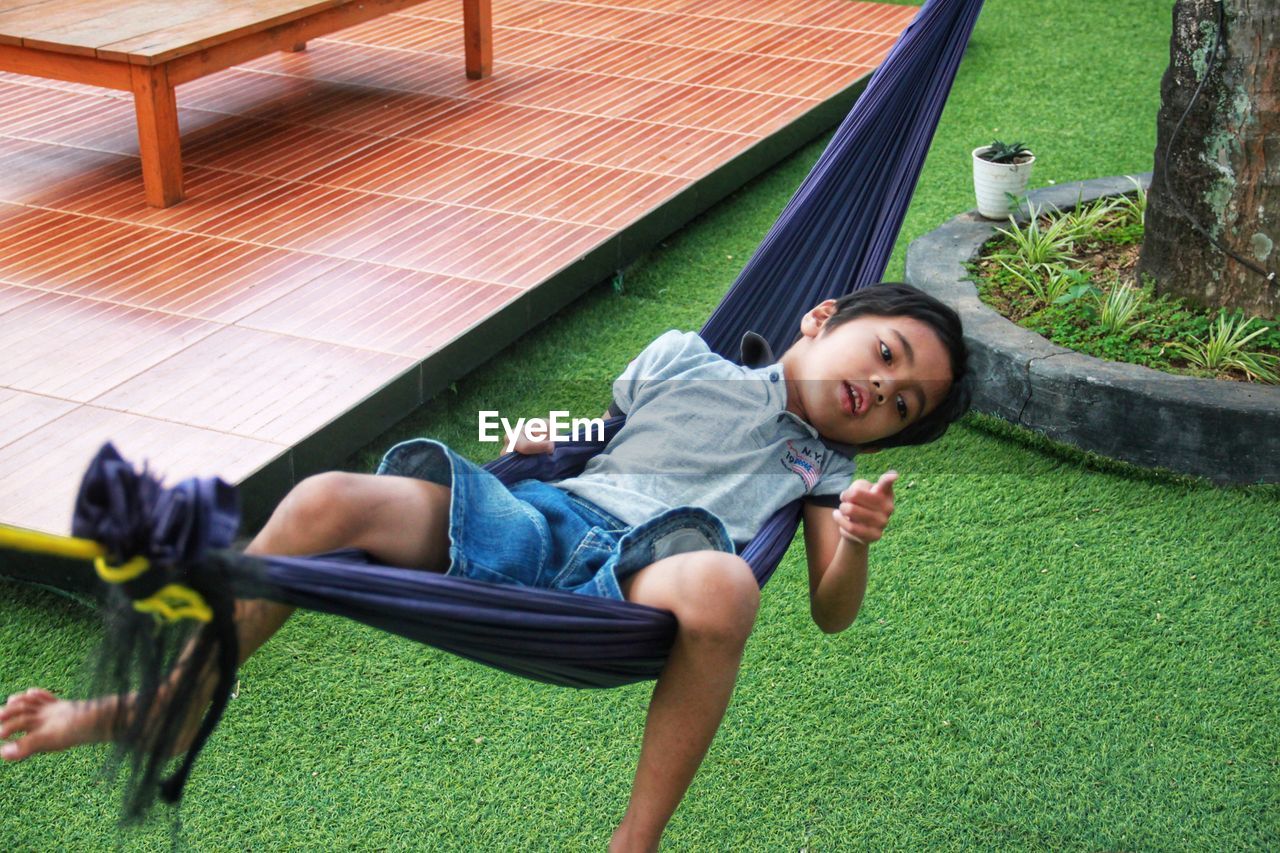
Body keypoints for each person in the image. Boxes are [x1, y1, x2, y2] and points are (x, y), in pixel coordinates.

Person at [1, 283, 969, 851]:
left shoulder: (820, 472)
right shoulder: (684, 363)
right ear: (820, 318)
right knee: (324, 498)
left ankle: (633, 842)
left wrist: (852, 536)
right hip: (541, 519)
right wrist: (535, 438)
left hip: (649, 566)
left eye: (900, 404)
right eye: (884, 355)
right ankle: (171, 706)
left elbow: (830, 613)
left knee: (722, 582)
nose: (881, 386)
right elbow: (610, 433)